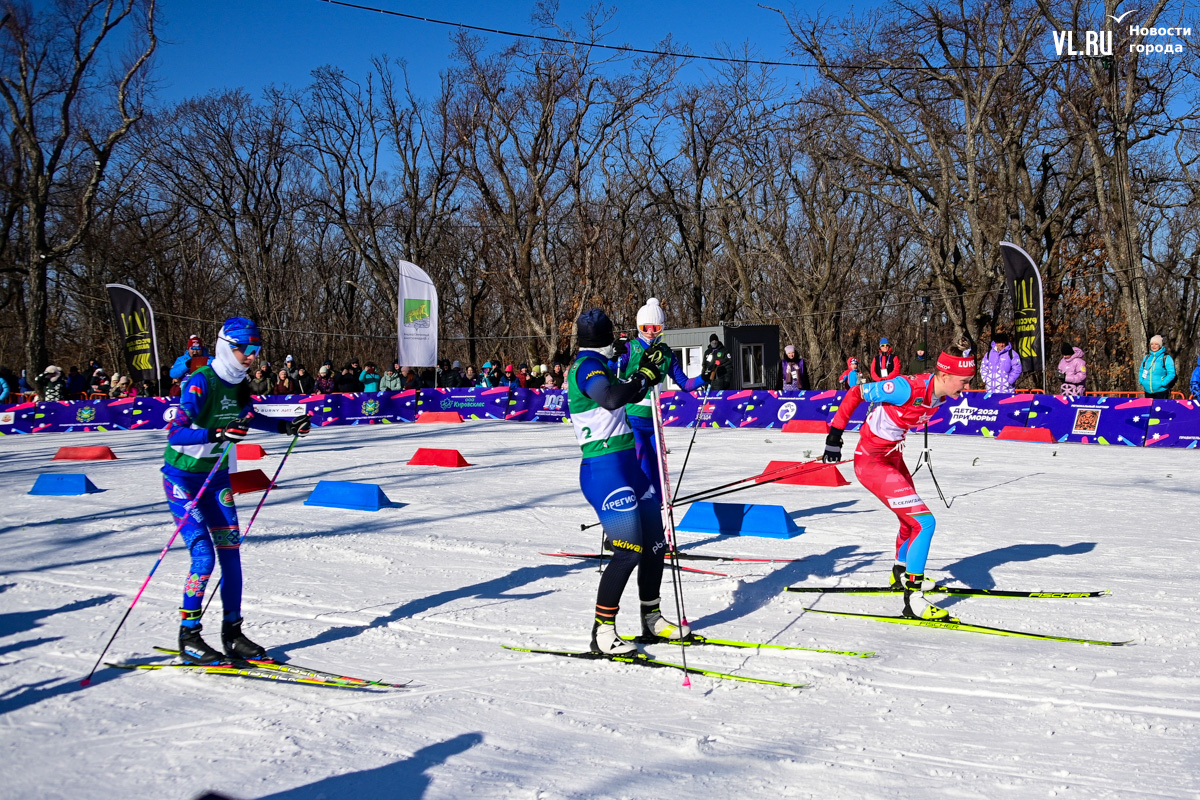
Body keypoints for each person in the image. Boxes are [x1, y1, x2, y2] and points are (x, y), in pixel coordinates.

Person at [163, 316, 311, 664]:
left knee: (231, 555)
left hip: (216, 479)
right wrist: (216, 434)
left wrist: (287, 426)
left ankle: (232, 633)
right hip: (183, 480)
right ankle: (190, 637)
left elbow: (250, 416)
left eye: (256, 350)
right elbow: (175, 433)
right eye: (246, 350)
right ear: (227, 347)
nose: (252, 357)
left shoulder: (240, 383)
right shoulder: (201, 382)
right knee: (204, 557)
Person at [823, 347, 976, 622]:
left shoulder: (940, 395)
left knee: (909, 522)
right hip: (871, 463)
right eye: (963, 381)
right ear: (944, 374)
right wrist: (834, 436)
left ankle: (901, 573)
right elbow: (857, 392)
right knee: (924, 523)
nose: (967, 387)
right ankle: (914, 601)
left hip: (893, 457)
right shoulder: (906, 388)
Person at [567, 307, 686, 654]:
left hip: (628, 466)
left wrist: (647, 367)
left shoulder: (604, 361)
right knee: (628, 551)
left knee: (654, 543)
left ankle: (652, 618)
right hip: (603, 469)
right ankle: (603, 631)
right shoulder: (587, 368)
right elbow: (612, 397)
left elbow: (630, 392)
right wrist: (645, 374)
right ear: (602, 340)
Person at [617, 298, 707, 495]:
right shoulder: (631, 348)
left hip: (654, 423)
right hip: (632, 419)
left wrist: (706, 377)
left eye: (655, 327)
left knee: (659, 476)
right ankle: (639, 508)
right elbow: (612, 374)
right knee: (644, 470)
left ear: (662, 327)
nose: (650, 332)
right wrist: (614, 356)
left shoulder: (666, 353)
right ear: (638, 327)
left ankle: (657, 513)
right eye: (645, 327)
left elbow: (685, 384)